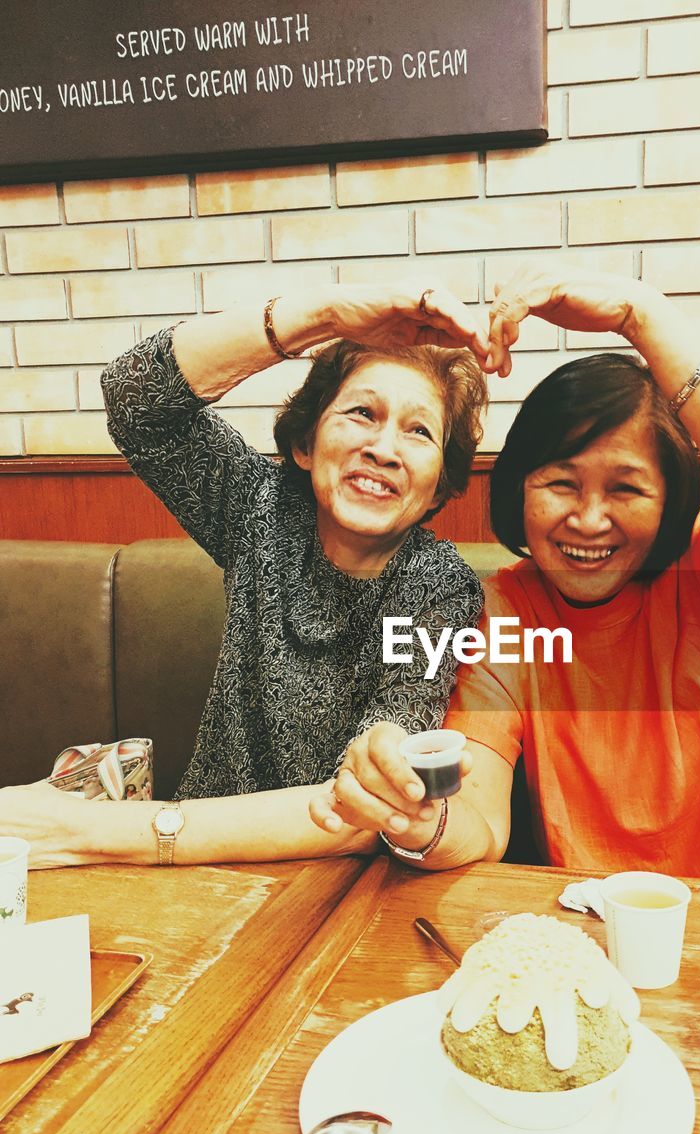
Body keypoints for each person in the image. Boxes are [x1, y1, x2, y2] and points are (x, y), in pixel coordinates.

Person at [314, 267, 700, 889]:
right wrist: (422, 820)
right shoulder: (505, 613)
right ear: (520, 490)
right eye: (560, 483)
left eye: (626, 488)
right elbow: (480, 819)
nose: (589, 519)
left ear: (669, 499)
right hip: (609, 928)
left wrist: (642, 315)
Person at [2, 283, 491, 868]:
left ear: (439, 485)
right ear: (307, 443)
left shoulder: (439, 585)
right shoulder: (262, 509)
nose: (383, 447)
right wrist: (321, 312)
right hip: (191, 868)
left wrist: (92, 831)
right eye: (362, 412)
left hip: (333, 885)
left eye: (419, 431)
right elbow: (136, 396)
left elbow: (370, 801)